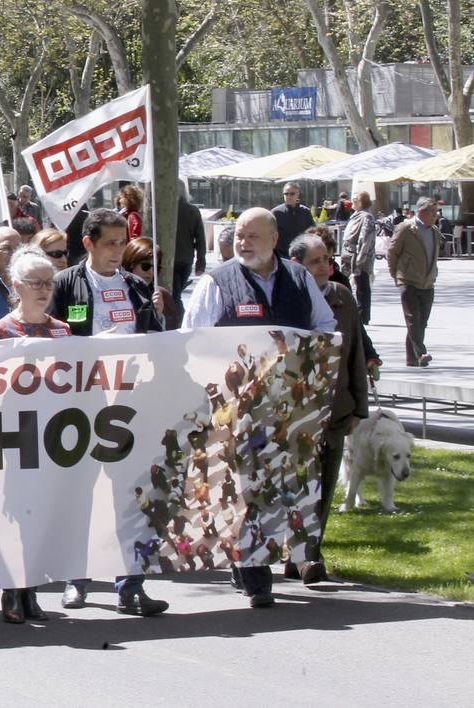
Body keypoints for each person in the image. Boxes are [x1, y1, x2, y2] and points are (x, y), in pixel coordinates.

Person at [181, 207, 335, 608]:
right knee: (243, 488)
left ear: (274, 240)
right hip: (234, 407)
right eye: (239, 236)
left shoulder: (300, 278)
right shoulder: (217, 282)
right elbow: (190, 337)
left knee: (280, 485)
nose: (243, 242)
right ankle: (255, 573)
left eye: (252, 236)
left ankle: (270, 556)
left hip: (288, 403)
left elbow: (325, 326)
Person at [47, 210, 169, 617]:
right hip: (81, 406)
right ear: (89, 244)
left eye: (123, 242)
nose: (119, 251)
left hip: (130, 406)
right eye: (110, 243)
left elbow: (158, 340)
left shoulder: (137, 286)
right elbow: (50, 339)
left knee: (132, 495)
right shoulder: (66, 284)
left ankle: (131, 584)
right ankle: (75, 579)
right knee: (82, 493)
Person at [0, 247, 74, 623]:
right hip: (14, 439)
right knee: (15, 517)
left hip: (53, 440)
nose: (43, 289)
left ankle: (31, 590)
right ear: (16, 286)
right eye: (34, 282)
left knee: (41, 518)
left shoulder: (62, 331)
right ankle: (11, 590)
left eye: (48, 282)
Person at [287, 234, 367, 584]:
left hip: (337, 409)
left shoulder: (342, 298)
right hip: (295, 411)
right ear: (297, 265)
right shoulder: (287, 300)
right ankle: (302, 552)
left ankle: (308, 551)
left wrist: (358, 407)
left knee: (326, 482)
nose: (326, 266)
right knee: (301, 482)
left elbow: (356, 353)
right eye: (316, 261)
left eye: (327, 259)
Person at [386, 196, 440, 367]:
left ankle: (412, 358)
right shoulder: (406, 228)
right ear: (421, 211)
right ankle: (422, 352)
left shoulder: (435, 231)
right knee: (413, 320)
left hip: (427, 283)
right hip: (408, 280)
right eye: (432, 212)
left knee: (421, 322)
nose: (435, 215)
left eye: (436, 212)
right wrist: (397, 276)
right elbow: (392, 253)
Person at [122, 238, 180, 329]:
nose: (150, 272)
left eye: (155, 268)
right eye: (145, 266)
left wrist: (159, 317)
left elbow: (172, 334)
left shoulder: (162, 295)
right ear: (131, 264)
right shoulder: (118, 290)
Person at [338, 190, 377, 325]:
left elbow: (365, 239)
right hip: (349, 256)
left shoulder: (366, 217)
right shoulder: (356, 215)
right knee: (352, 284)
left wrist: (360, 259)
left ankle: (363, 315)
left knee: (362, 286)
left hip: (358, 258)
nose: (352, 201)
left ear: (362, 202)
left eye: (355, 199)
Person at [173, 188, 206, 299]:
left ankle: (177, 314)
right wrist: (201, 261)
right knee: (176, 295)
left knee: (174, 295)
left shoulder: (161, 209)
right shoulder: (193, 210)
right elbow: (200, 238)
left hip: (168, 259)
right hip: (186, 259)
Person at [272, 183, 315, 258]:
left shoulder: (305, 211)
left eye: (292, 194)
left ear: (298, 194)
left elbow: (312, 231)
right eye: (286, 194)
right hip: (282, 255)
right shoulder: (276, 212)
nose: (288, 196)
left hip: (301, 254)